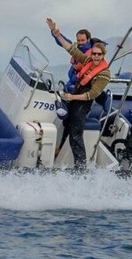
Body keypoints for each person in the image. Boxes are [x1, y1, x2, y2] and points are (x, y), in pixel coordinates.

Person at [46, 18, 111, 170]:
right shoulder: (87, 59)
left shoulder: (104, 74)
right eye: (94, 54)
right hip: (75, 93)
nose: (95, 57)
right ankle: (60, 150)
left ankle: (81, 167)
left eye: (99, 55)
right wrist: (57, 35)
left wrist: (72, 97)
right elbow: (71, 49)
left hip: (84, 100)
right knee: (66, 121)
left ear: (103, 55)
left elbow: (92, 94)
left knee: (76, 131)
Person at [52, 27, 92, 93]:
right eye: (78, 40)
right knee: (66, 89)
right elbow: (65, 42)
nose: (80, 42)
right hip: (72, 82)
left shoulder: (93, 54)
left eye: (82, 40)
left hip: (84, 86)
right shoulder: (76, 48)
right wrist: (55, 33)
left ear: (88, 40)